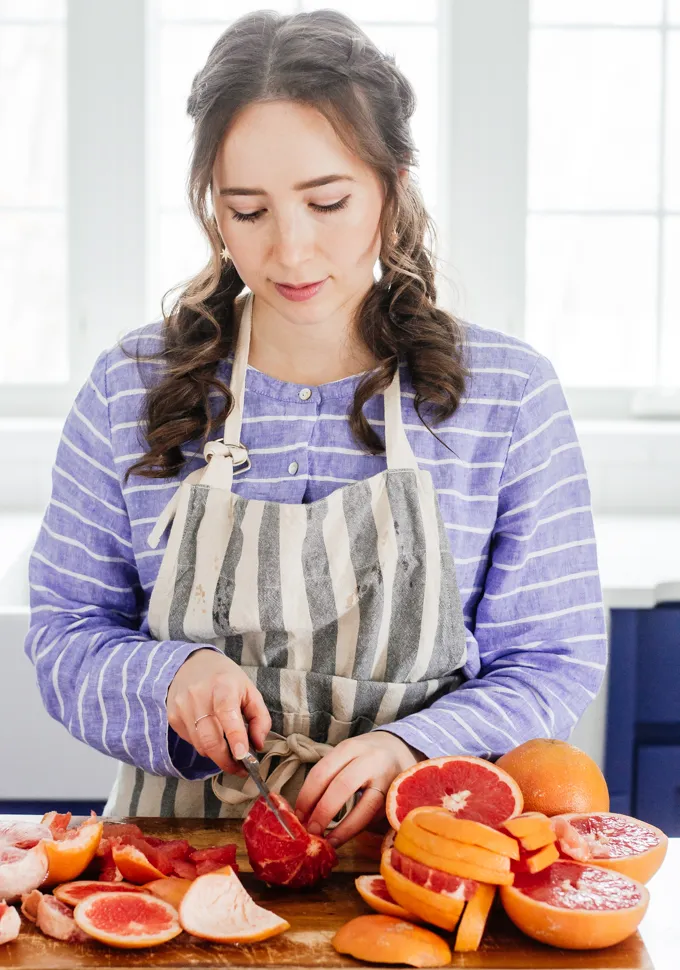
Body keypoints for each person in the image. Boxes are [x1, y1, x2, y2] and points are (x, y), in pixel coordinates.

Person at [25, 8, 606, 847]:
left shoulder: (508, 398)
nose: (291, 252)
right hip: (181, 853)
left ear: (392, 186)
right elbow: (64, 628)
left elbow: (552, 658)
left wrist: (415, 746)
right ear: (211, 209)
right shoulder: (131, 386)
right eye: (248, 211)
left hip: (422, 852)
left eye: (327, 201)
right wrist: (171, 676)